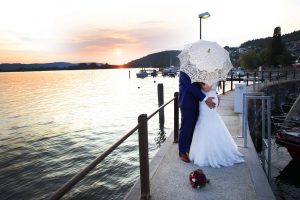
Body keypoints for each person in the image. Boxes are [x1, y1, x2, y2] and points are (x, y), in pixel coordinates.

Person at [189, 81, 244, 168]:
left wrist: (199, 82)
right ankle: (206, 150)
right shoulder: (213, 71)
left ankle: (209, 152)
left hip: (208, 99)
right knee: (209, 121)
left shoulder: (211, 73)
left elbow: (207, 88)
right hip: (209, 97)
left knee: (208, 122)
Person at [178, 71, 216, 163]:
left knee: (194, 126)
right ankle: (182, 151)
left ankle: (189, 147)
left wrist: (214, 94)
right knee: (186, 127)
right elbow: (190, 87)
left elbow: (204, 86)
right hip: (187, 103)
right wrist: (206, 99)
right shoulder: (184, 71)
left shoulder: (197, 69)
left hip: (198, 103)